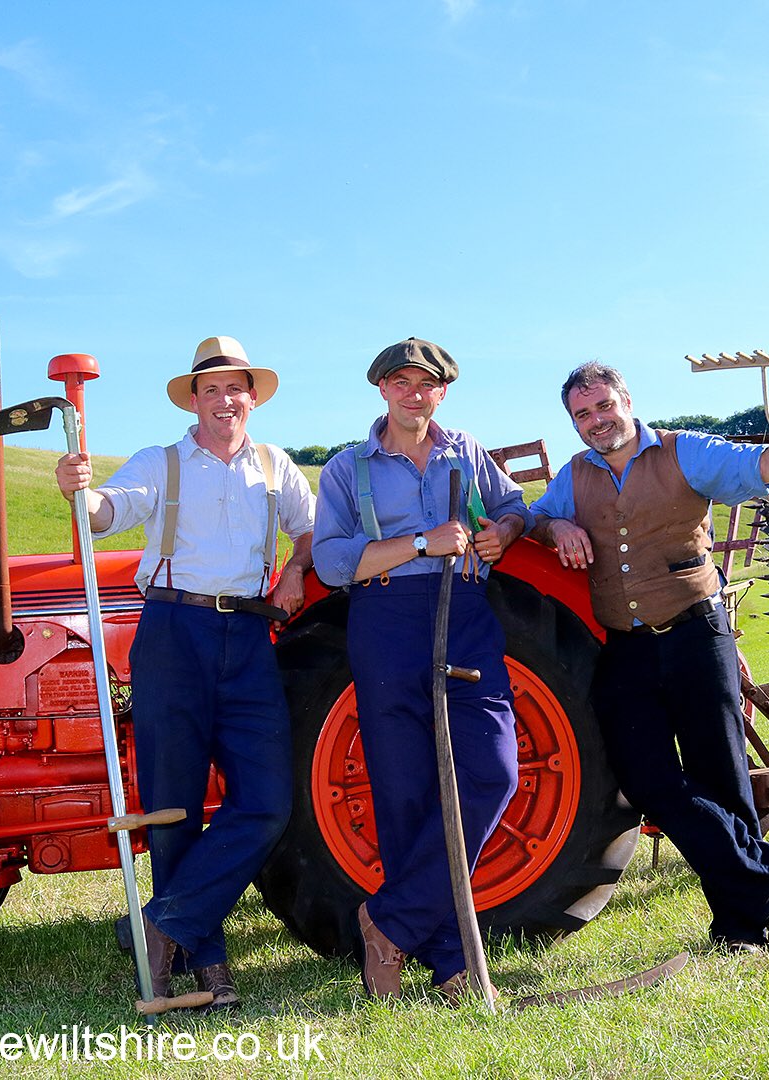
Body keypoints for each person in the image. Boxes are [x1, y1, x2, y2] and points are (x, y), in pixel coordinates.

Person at [530, 361, 769, 953]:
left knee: (720, 776)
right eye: (583, 415)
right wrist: (557, 527)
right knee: (646, 779)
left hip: (694, 634)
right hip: (626, 646)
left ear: (627, 400)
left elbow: (755, 466)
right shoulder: (574, 478)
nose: (596, 422)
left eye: (604, 406)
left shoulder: (685, 452)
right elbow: (536, 518)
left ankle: (740, 925)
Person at [55, 335, 315, 1006]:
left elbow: (311, 531)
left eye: (235, 388)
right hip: (173, 632)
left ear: (251, 397)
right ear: (194, 399)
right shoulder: (161, 463)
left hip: (251, 635)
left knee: (266, 801)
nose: (224, 400)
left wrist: (292, 571)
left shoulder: (275, 466)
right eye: (211, 389)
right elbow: (109, 511)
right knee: (173, 805)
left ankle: (161, 924)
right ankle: (207, 963)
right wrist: (80, 494)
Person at [312, 337, 531, 1001]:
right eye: (400, 382)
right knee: (404, 796)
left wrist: (505, 533)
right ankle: (451, 965)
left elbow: (515, 505)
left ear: (443, 392)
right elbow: (329, 562)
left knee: (495, 770)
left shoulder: (467, 451)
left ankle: (389, 922)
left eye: (425, 384)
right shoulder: (348, 469)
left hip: (464, 615)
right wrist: (419, 542)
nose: (413, 393)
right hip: (387, 621)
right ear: (382, 390)